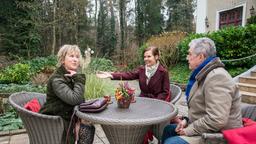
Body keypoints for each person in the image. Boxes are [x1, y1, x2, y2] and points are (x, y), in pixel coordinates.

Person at [162, 37, 242, 144]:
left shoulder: (217, 77)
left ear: (200, 57)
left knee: (172, 142)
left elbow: (217, 119)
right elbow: (202, 109)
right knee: (168, 130)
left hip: (218, 135)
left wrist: (189, 130)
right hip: (206, 128)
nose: (187, 58)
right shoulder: (203, 74)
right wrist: (186, 120)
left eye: (189, 54)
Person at [40, 44, 85, 143]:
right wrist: (79, 79)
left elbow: (80, 99)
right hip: (55, 122)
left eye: (77, 57)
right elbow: (75, 99)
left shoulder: (71, 75)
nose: (75, 60)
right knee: (85, 132)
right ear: (62, 59)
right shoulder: (57, 79)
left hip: (68, 117)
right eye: (71, 56)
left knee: (87, 129)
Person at [96, 46, 171, 101]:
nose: (146, 59)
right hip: (142, 101)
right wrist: (111, 75)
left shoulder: (163, 72)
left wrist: (156, 101)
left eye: (149, 56)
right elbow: (128, 75)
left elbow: (165, 92)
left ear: (156, 57)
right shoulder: (142, 70)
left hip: (157, 104)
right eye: (144, 57)